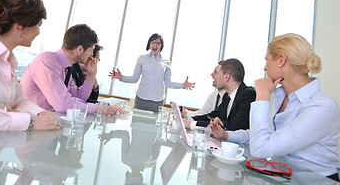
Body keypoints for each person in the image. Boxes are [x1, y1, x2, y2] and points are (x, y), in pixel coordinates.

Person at [210, 33, 340, 181]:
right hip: (280, 178)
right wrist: (226, 135)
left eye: (266, 60)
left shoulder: (322, 107)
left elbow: (261, 148)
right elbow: (260, 135)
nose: (264, 67)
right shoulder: (278, 96)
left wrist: (262, 96)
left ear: (281, 60)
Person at [0, 0, 61, 131]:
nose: (38, 32)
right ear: (21, 25)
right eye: (39, 24)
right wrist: (29, 122)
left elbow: (18, 101)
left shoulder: (6, 60)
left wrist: (42, 114)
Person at [21, 24, 125, 115]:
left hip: (47, 121)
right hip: (28, 123)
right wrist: (99, 109)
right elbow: (62, 104)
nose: (92, 55)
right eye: (91, 50)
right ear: (80, 49)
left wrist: (91, 75)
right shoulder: (47, 61)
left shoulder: (66, 68)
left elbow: (78, 98)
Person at [109, 33, 195, 112]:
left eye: (158, 43)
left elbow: (168, 83)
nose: (155, 45)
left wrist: (183, 85)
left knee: (154, 127)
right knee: (136, 126)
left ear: (161, 45)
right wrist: (121, 77)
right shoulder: (142, 58)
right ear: (149, 44)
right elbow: (135, 78)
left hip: (157, 102)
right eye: (153, 42)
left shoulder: (166, 62)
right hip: (141, 99)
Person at [184, 58, 256, 130]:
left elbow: (234, 126)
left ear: (226, 77)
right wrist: (190, 120)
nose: (214, 76)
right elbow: (212, 116)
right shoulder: (226, 96)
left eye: (216, 72)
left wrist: (191, 124)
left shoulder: (248, 94)